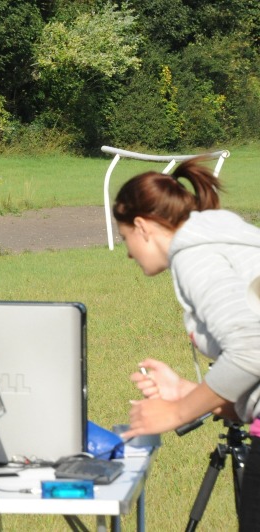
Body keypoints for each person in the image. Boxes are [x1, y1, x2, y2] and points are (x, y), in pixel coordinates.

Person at [114, 157, 260, 529]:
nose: (128, 253)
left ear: (143, 227)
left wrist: (175, 414)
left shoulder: (195, 255)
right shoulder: (224, 240)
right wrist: (186, 391)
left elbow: (252, 348)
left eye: (125, 237)